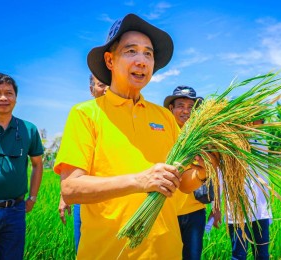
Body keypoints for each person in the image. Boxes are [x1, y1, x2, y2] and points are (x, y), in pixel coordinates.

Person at [54, 13, 211, 259]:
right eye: (131, 51)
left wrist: (202, 170)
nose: (142, 60)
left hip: (165, 250)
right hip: (107, 252)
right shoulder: (86, 114)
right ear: (109, 60)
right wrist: (140, 181)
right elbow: (72, 189)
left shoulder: (164, 117)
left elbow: (183, 183)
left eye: (148, 54)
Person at [0, 72, 44, 259]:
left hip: (15, 211)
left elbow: (38, 164)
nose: (3, 97)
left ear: (16, 98)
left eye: (9, 93)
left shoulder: (28, 129)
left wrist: (33, 197)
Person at [164, 86, 221, 260]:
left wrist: (217, 206)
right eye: (181, 105)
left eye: (191, 107)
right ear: (171, 108)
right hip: (167, 211)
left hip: (195, 211)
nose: (186, 111)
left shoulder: (203, 138)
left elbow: (214, 171)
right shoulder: (161, 134)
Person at [58, 74, 108, 253]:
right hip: (85, 196)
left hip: (117, 195)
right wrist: (65, 195)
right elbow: (72, 162)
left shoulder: (122, 119)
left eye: (110, 84)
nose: (107, 89)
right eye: (101, 84)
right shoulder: (83, 115)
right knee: (85, 245)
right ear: (92, 89)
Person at [228, 119, 272, 260]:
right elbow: (222, 175)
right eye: (250, 121)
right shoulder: (229, 142)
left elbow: (264, 174)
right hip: (238, 208)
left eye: (259, 121)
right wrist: (216, 207)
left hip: (260, 208)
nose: (254, 124)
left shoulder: (261, 141)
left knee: (262, 254)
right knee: (239, 255)